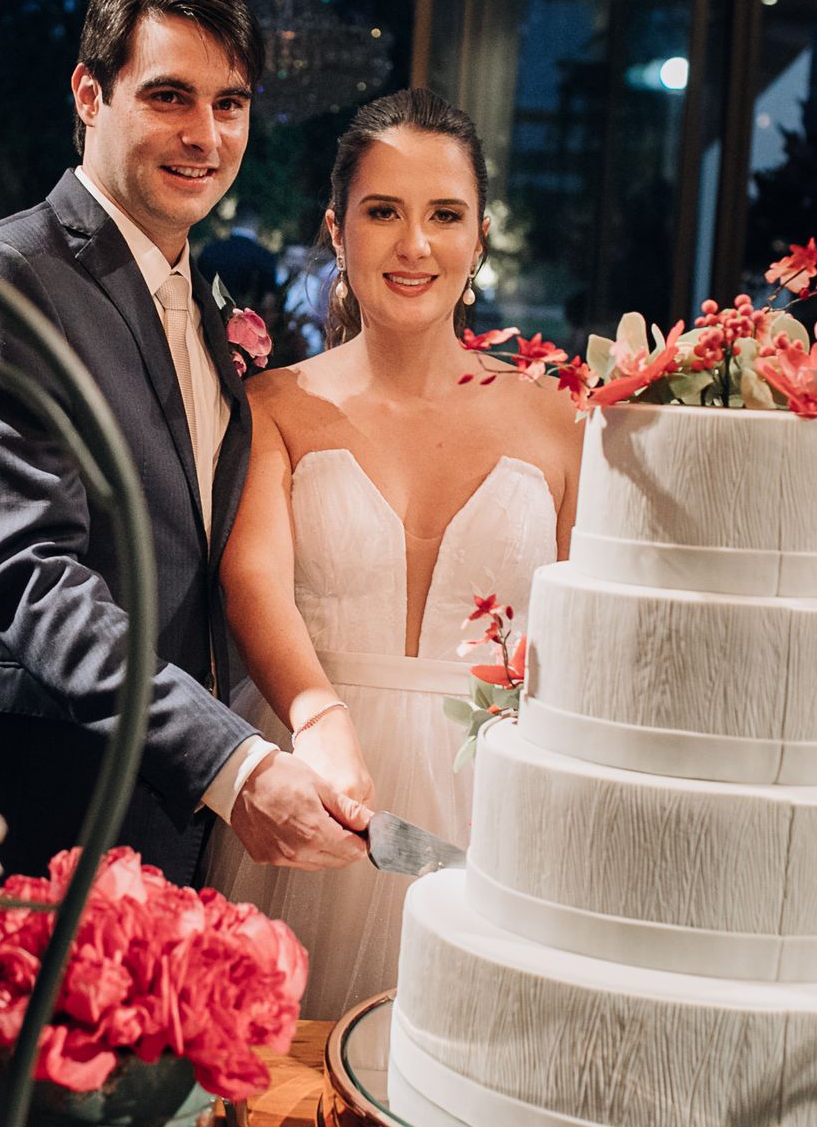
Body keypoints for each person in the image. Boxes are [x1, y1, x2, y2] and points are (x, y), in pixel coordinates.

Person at [0, 0, 371, 884]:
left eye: (230, 104)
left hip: (166, 817)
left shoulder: (204, 306)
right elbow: (33, 579)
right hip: (32, 807)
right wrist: (232, 764)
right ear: (89, 92)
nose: (205, 135)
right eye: (169, 97)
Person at [202, 89, 583, 1020]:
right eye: (384, 212)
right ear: (337, 230)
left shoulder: (557, 420)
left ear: (480, 236)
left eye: (444, 215)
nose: (414, 246)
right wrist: (317, 715)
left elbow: (587, 626)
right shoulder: (276, 406)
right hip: (318, 782)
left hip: (499, 800)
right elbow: (253, 581)